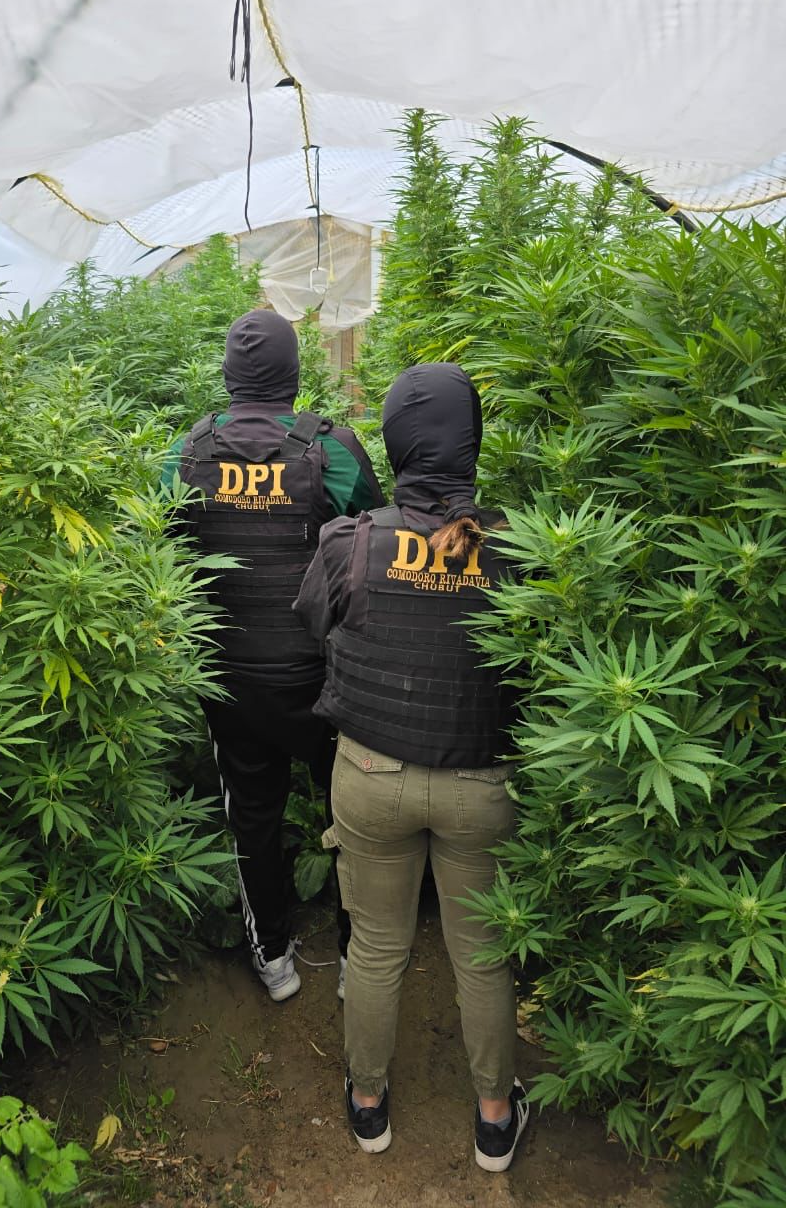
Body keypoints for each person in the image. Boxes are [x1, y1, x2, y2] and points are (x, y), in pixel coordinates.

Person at [292, 362, 529, 1171]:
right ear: (471, 445)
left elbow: (315, 627)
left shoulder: (350, 541)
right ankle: (494, 1118)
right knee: (482, 953)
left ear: (394, 445)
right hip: (482, 788)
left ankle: (368, 1104)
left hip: (371, 776)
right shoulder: (519, 551)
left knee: (376, 945)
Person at [163, 308, 384, 1001]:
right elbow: (374, 542)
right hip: (324, 678)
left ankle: (273, 958)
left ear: (229, 374)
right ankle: (354, 960)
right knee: (348, 816)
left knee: (252, 817)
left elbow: (161, 547)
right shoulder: (332, 450)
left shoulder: (186, 453)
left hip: (229, 678)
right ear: (293, 373)